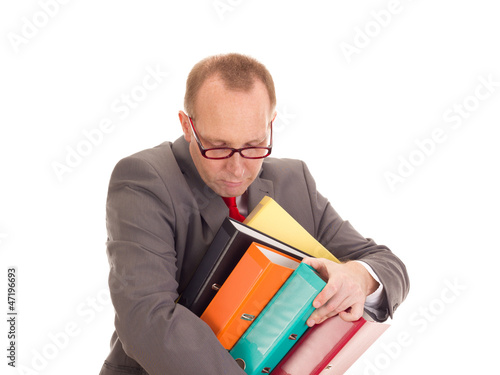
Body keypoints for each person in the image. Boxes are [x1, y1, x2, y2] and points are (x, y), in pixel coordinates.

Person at [99, 53, 409, 375]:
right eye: (218, 147)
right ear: (187, 126)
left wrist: (358, 277)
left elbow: (387, 265)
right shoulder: (144, 180)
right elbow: (147, 318)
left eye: (253, 145)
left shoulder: (294, 183)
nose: (237, 168)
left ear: (270, 125)